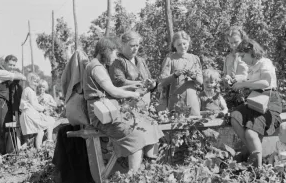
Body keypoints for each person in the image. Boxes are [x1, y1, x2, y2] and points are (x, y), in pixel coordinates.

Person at [84, 37, 163, 171]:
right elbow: (113, 91)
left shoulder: (99, 66)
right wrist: (134, 94)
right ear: (105, 51)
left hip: (110, 111)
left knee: (150, 124)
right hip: (103, 115)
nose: (114, 57)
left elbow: (111, 90)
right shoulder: (96, 67)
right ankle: (134, 178)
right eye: (114, 53)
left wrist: (135, 86)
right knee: (135, 135)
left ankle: (151, 166)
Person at [231, 40, 282, 167]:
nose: (242, 59)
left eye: (243, 56)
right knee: (235, 117)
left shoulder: (265, 62)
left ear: (251, 52)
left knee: (251, 133)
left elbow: (265, 82)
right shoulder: (252, 67)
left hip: (269, 100)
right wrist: (235, 81)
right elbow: (248, 80)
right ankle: (252, 151)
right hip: (255, 99)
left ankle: (257, 169)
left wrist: (243, 84)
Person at [159, 30, 203, 116]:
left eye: (184, 44)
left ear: (188, 43)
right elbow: (162, 82)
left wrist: (193, 76)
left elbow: (200, 82)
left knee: (195, 126)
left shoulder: (195, 59)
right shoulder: (169, 59)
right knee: (176, 124)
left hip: (192, 100)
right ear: (174, 45)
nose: (182, 47)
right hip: (176, 100)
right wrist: (175, 75)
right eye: (179, 44)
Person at [109, 31, 156, 105]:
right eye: (132, 45)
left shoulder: (141, 60)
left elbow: (150, 79)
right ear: (123, 44)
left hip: (145, 105)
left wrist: (153, 84)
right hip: (127, 106)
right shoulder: (117, 62)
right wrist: (142, 83)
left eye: (137, 45)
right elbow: (120, 83)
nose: (135, 48)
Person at [0, 55, 26, 155]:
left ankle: (8, 152)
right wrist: (16, 74)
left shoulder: (8, 73)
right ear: (5, 63)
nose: (12, 67)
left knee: (8, 127)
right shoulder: (0, 73)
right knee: (3, 128)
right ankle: (0, 153)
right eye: (10, 64)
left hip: (7, 104)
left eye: (14, 65)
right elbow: (21, 77)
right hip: (0, 103)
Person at [20, 73, 55, 149]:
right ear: (29, 81)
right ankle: (45, 143)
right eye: (34, 82)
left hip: (31, 114)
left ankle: (39, 148)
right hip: (28, 115)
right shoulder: (28, 90)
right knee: (47, 124)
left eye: (37, 82)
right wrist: (44, 108)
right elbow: (34, 104)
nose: (36, 84)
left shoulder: (31, 91)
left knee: (41, 130)